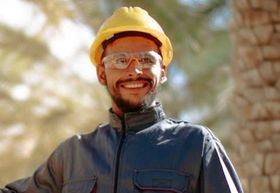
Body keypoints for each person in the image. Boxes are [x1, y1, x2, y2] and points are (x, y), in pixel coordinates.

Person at [1, 6, 243, 193]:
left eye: (147, 60)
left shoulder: (196, 145)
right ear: (101, 73)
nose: (134, 71)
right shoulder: (72, 155)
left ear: (164, 71)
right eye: (120, 60)